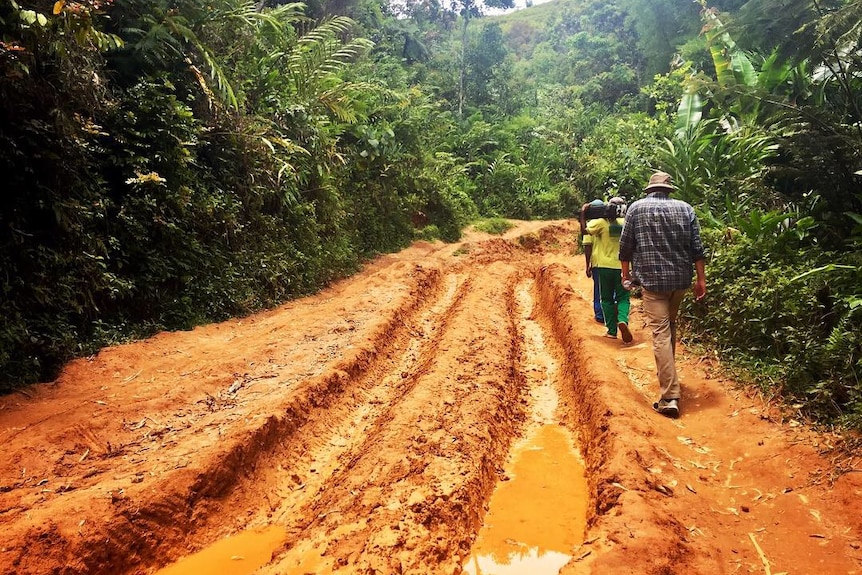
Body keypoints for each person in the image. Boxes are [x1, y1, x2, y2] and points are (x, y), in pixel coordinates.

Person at [618, 171, 706, 418]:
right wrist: (701, 280)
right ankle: (670, 377)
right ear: (669, 189)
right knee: (670, 325)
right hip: (680, 281)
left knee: (660, 332)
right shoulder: (686, 209)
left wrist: (626, 275)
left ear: (650, 189)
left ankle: (669, 397)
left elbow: (626, 247)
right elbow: (697, 248)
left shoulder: (636, 209)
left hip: (653, 283)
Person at [585, 197, 632, 343]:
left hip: (603, 266)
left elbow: (585, 231)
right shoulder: (626, 223)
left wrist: (582, 214)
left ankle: (612, 331)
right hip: (622, 266)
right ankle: (622, 319)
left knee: (606, 298)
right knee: (623, 297)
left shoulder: (600, 223)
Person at [580, 199, 606, 324]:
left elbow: (587, 246)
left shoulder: (591, 225)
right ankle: (613, 314)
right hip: (615, 263)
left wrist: (587, 265)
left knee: (599, 290)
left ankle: (600, 314)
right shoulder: (610, 223)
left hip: (598, 263)